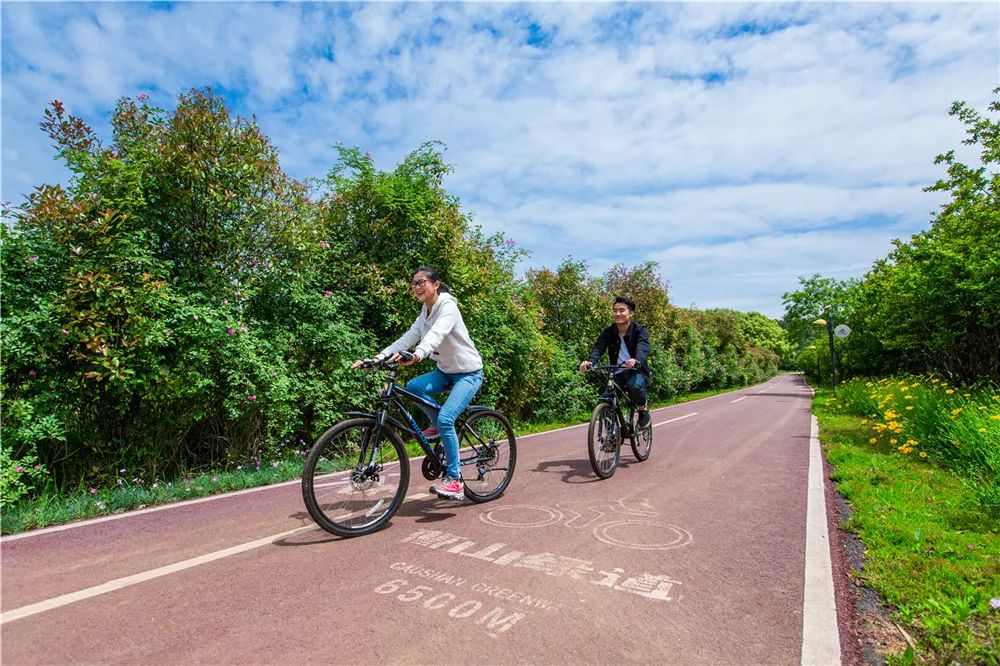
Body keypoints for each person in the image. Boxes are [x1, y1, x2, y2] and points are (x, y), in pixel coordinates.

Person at [352, 266, 483, 501]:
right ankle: (439, 426)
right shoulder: (425, 311)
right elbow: (408, 337)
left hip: (468, 374)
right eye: (413, 283)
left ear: (436, 284)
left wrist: (417, 355)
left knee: (446, 419)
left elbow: (436, 336)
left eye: (421, 282)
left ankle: (455, 480)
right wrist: (378, 358)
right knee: (414, 387)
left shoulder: (448, 307)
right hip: (445, 371)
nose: (417, 287)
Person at [578, 296, 652, 428]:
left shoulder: (640, 330)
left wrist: (636, 360)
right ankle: (611, 436)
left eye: (622, 310)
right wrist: (590, 361)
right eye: (615, 310)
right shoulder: (609, 332)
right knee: (606, 399)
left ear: (631, 313)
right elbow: (598, 348)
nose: (618, 314)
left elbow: (643, 347)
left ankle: (642, 408)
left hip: (637, 371)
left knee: (634, 387)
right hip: (617, 372)